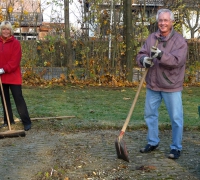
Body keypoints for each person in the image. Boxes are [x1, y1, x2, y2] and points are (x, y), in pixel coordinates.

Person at [136, 9, 187, 159]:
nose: (163, 23)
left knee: (176, 118)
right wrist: (143, 60)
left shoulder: (179, 41)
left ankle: (176, 147)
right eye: (160, 20)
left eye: (166, 20)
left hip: (171, 85)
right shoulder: (152, 38)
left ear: (171, 22)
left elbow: (178, 61)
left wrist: (161, 55)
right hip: (153, 84)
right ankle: (153, 142)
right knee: (150, 115)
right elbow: (141, 53)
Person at [0, 21, 31, 131]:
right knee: (4, 100)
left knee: (18, 99)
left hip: (13, 76)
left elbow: (15, 61)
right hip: (1, 78)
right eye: (3, 29)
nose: (5, 31)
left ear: (11, 31)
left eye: (7, 29)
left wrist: (3, 69)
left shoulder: (15, 43)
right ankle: (8, 120)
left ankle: (26, 121)